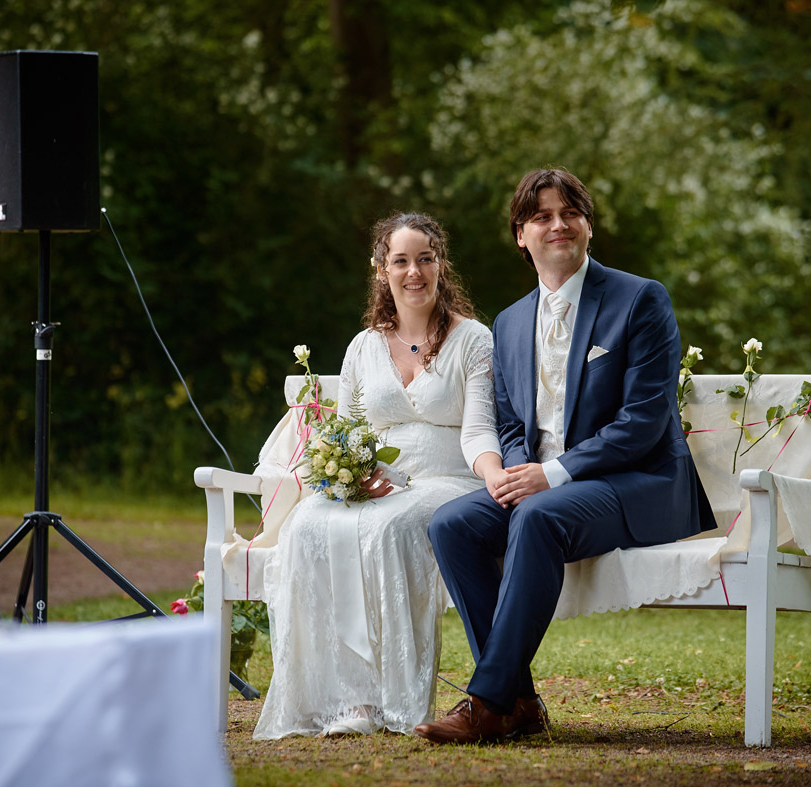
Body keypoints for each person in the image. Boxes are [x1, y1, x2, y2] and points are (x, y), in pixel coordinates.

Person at [416, 169, 715, 744]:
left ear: (588, 226)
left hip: (636, 481)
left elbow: (644, 422)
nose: (558, 225)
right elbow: (508, 423)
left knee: (538, 514)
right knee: (452, 523)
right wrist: (509, 472)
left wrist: (549, 475)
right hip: (545, 488)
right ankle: (519, 702)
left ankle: (486, 704)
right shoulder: (507, 323)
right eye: (541, 216)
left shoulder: (640, 299)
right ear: (520, 236)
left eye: (569, 213)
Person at [253, 213, 504, 739]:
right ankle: (335, 700)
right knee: (306, 527)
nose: (414, 272)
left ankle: (394, 701)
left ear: (441, 265)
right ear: (380, 270)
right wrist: (354, 475)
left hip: (449, 481)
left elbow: (479, 428)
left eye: (425, 259)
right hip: (374, 482)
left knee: (389, 529)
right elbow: (347, 431)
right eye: (401, 261)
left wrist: (495, 477)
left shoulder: (473, 340)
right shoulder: (364, 346)